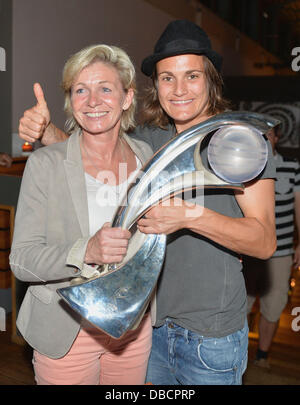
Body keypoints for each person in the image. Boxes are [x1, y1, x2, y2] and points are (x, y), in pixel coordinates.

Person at [18, 20, 276, 385]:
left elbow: (264, 242)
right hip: (145, 327)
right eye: (167, 78)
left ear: (211, 80)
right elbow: (92, 149)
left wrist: (189, 216)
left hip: (209, 336)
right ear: (154, 86)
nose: (179, 89)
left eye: (192, 76)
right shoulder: (149, 142)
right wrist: (45, 132)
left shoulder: (240, 144)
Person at [10, 44, 154, 385]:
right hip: (68, 331)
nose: (92, 101)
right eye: (80, 90)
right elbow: (22, 260)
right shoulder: (46, 164)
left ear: (127, 97)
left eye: (105, 88)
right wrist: (85, 250)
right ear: (71, 100)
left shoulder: (145, 156)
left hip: (131, 332)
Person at [244, 124, 300, 369]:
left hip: (282, 249)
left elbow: (299, 206)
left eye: (268, 135)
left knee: (274, 304)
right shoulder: (242, 164)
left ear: (276, 137)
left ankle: (262, 355)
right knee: (240, 303)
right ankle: (240, 352)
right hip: (247, 249)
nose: (264, 140)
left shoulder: (292, 166)